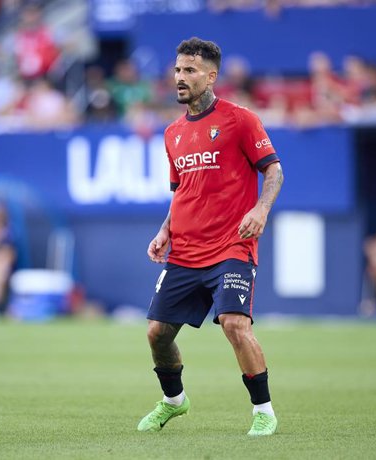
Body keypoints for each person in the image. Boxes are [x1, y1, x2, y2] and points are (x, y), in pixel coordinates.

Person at [138, 37, 284, 437]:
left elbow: (274, 171)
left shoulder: (240, 119)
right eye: (177, 70)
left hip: (231, 247)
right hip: (184, 251)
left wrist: (260, 209)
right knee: (157, 334)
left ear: (211, 76)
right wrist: (165, 228)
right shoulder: (173, 134)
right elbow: (182, 189)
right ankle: (173, 402)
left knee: (235, 324)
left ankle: (264, 411)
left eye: (189, 71)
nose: (180, 78)